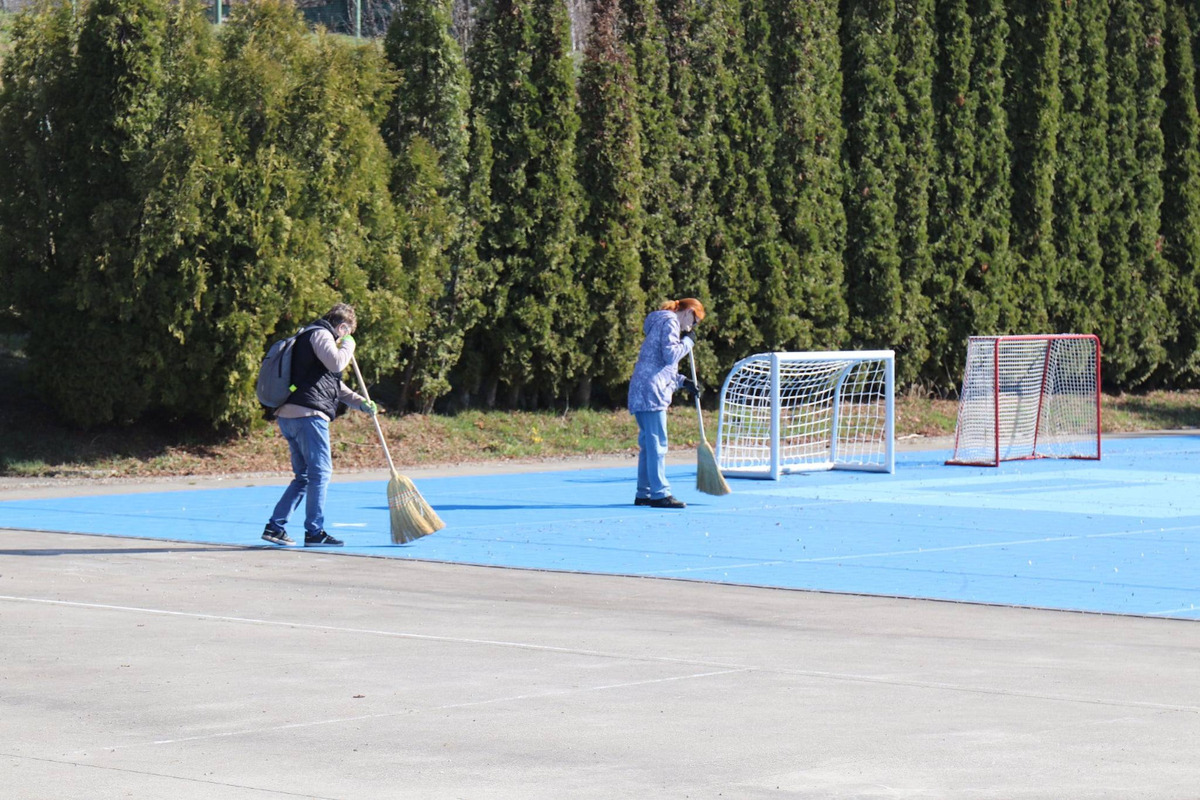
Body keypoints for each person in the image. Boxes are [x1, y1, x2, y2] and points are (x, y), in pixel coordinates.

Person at [262, 303, 378, 547]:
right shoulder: (321, 334)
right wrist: (348, 344)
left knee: (304, 476)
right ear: (343, 326)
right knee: (320, 473)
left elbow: (331, 384)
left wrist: (361, 403)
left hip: (292, 414)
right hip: (308, 416)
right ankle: (314, 532)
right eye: (346, 332)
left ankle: (275, 526)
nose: (345, 338)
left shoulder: (310, 340)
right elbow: (337, 364)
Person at [628, 298, 705, 509]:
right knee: (657, 444)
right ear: (688, 312)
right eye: (695, 321)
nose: (692, 327)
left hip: (642, 387)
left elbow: (660, 362)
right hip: (652, 391)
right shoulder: (671, 322)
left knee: (648, 444)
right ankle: (660, 493)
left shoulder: (659, 322)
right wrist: (688, 342)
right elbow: (671, 355)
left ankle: (644, 492)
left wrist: (683, 382)